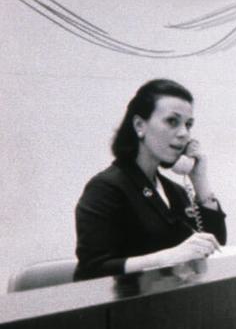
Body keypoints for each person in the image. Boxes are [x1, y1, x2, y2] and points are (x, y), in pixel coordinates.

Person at [74, 79, 226, 281]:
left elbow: (216, 243)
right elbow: (92, 269)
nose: (183, 134)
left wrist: (200, 180)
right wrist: (167, 257)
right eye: (172, 121)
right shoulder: (106, 188)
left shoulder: (173, 191)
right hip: (128, 305)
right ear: (139, 125)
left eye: (188, 125)